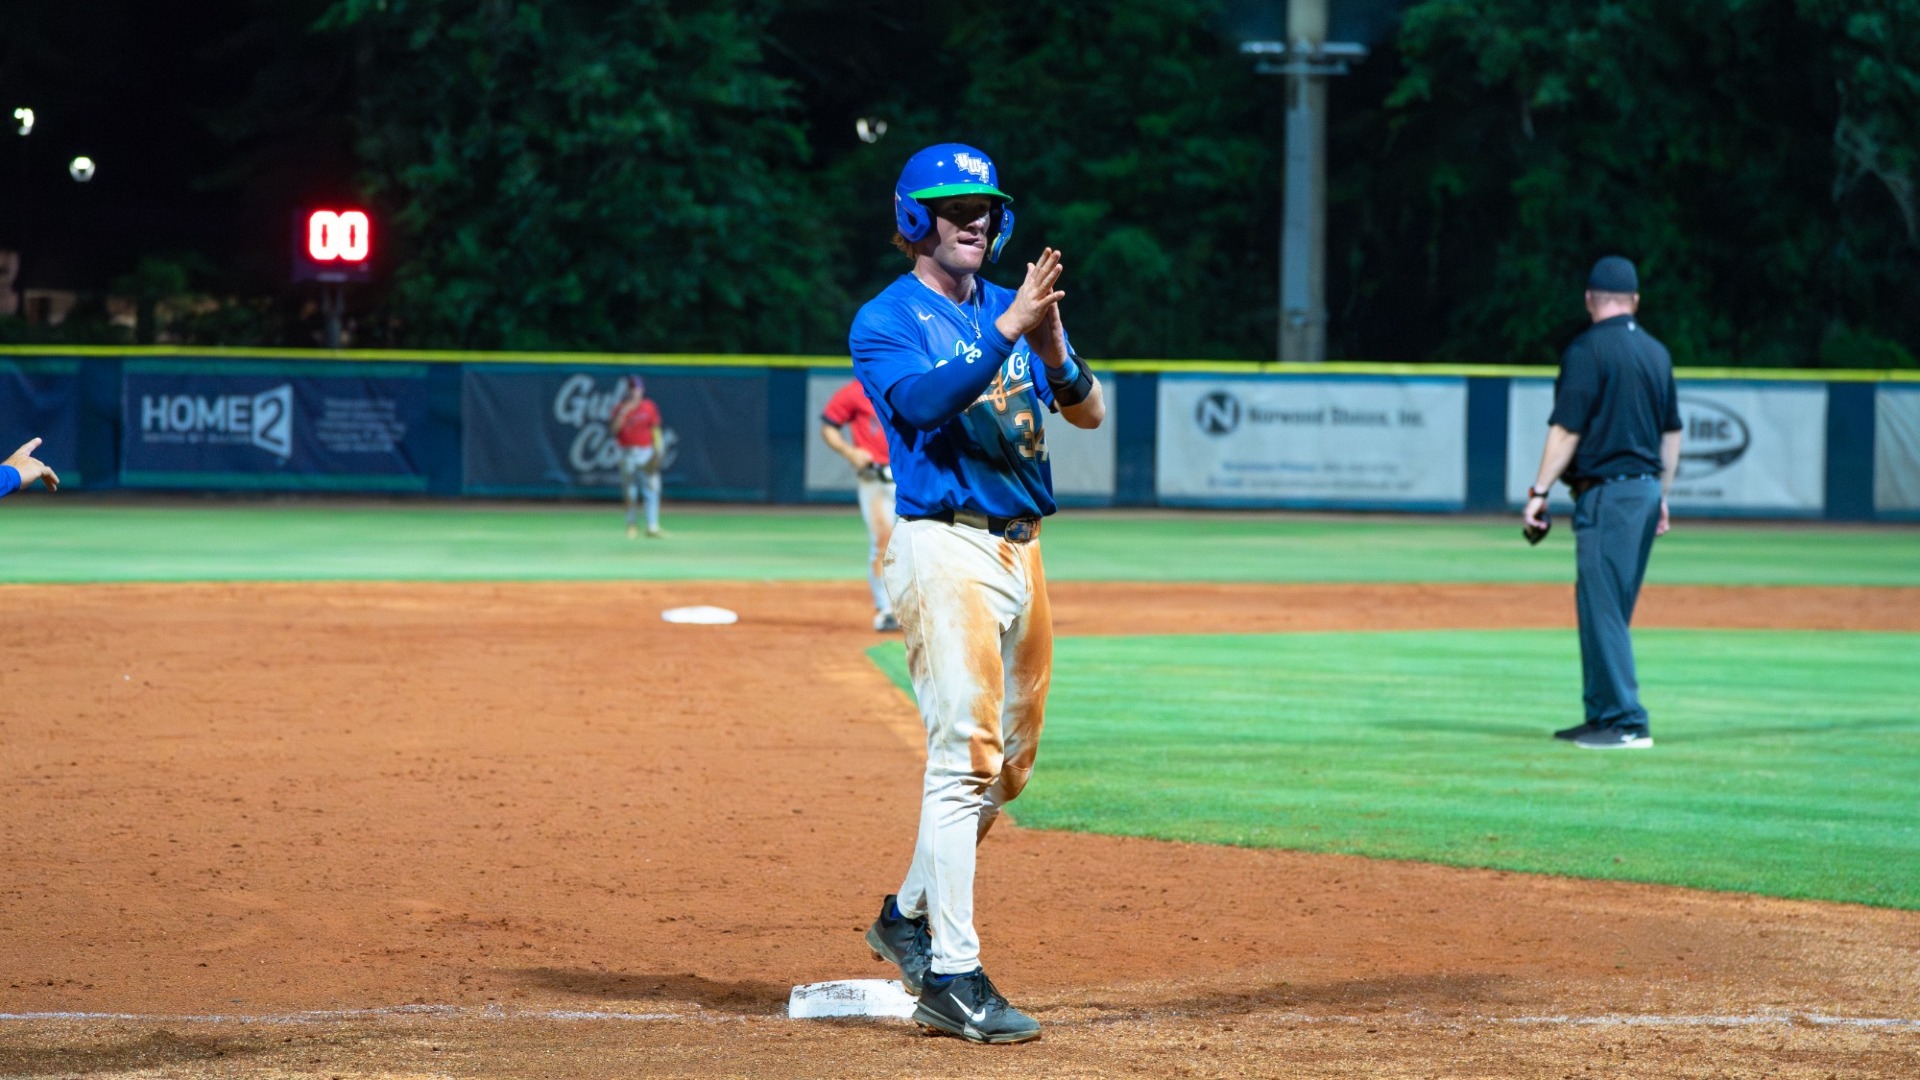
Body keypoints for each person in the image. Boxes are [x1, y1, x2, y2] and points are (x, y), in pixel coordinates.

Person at [851, 142, 1105, 1045]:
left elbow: (1087, 411)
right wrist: (1006, 335)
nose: (976, 220)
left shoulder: (1015, 309)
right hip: (943, 548)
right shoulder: (888, 318)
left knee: (1008, 768)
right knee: (962, 755)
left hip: (1022, 551)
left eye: (987, 207)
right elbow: (919, 407)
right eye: (954, 206)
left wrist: (1051, 341)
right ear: (914, 219)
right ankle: (952, 975)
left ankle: (907, 916)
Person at [1523, 256, 1683, 750]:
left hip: (1609, 494)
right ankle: (1600, 715)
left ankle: (1627, 722)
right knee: (1601, 606)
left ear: (1589, 298)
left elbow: (1567, 429)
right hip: (1643, 490)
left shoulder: (1587, 350)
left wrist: (1539, 492)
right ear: (1635, 301)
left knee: (1604, 608)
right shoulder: (1657, 353)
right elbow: (1672, 434)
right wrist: (1662, 495)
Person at [820, 379, 901, 631]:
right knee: (882, 543)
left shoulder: (908, 381)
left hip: (911, 478)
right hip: (874, 478)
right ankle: (886, 610)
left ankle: (916, 609)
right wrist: (849, 452)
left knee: (919, 544)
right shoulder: (856, 390)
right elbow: (829, 426)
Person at [610, 376, 664, 539]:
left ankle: (652, 526)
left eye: (638, 388)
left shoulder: (649, 407)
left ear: (642, 390)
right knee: (630, 492)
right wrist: (623, 413)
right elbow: (613, 431)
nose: (635, 392)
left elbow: (655, 429)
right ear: (628, 390)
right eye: (633, 388)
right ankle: (631, 525)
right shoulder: (620, 408)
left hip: (646, 452)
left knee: (651, 489)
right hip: (627, 453)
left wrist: (657, 451)